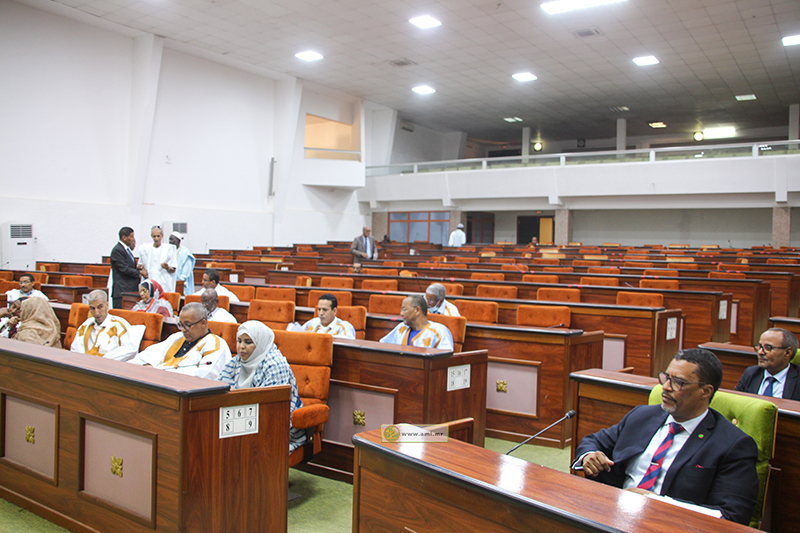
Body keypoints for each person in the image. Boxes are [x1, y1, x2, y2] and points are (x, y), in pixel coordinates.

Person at [573, 348, 758, 525]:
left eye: (679, 382)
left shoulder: (733, 444)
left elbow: (732, 515)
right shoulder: (642, 416)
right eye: (666, 377)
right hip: (611, 515)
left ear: (706, 391)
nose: (666, 387)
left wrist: (656, 503)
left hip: (670, 525)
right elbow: (594, 441)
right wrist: (590, 455)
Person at [218, 321, 305, 452]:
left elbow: (269, 410)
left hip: (277, 426)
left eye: (248, 342)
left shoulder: (275, 365)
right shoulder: (238, 360)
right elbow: (219, 388)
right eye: (239, 341)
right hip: (242, 417)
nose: (241, 347)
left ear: (261, 343)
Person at [129, 302, 231, 379]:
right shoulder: (177, 337)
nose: (183, 330)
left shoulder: (215, 344)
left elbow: (205, 374)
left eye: (187, 325)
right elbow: (149, 354)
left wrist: (159, 373)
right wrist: (148, 368)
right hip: (157, 381)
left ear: (203, 323)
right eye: (181, 325)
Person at [70, 290, 138, 361]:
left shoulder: (119, 325)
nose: (96, 313)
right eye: (92, 308)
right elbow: (75, 349)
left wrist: (101, 362)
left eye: (100, 307)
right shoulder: (85, 325)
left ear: (107, 305)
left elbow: (130, 351)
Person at [735, 328, 800, 400]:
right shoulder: (751, 373)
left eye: (768, 348)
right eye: (759, 346)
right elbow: (736, 403)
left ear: (787, 353)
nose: (760, 352)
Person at [380, 294, 454, 350]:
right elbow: (382, 346)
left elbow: (445, 360)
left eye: (404, 309)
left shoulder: (439, 331)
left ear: (417, 310)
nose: (401, 314)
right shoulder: (401, 327)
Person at [110, 226, 143, 309]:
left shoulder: (126, 250)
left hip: (129, 290)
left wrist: (138, 267)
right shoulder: (118, 250)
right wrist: (139, 273)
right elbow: (124, 268)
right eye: (131, 236)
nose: (133, 239)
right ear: (124, 237)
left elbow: (128, 265)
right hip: (122, 291)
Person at [138, 225, 177, 293]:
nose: (156, 239)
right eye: (154, 236)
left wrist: (167, 267)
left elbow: (173, 269)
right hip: (149, 281)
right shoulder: (145, 249)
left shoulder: (169, 249)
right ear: (151, 236)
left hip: (164, 283)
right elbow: (139, 265)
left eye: (158, 236)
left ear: (162, 235)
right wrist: (142, 271)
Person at [169, 231, 196, 295]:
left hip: (182, 284)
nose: (170, 242)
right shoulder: (169, 251)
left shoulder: (185, 253)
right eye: (169, 240)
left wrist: (181, 280)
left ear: (178, 241)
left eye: (172, 239)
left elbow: (187, 269)